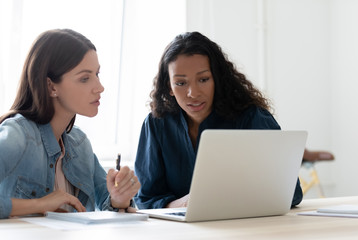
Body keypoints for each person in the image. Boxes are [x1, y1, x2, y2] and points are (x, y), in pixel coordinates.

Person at [134, 31, 303, 209]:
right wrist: (185, 204)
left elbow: (291, 193)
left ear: (218, 79)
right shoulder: (155, 124)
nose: (193, 93)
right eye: (181, 83)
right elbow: (146, 198)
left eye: (203, 79)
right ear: (169, 86)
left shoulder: (252, 118)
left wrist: (220, 202)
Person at [0, 29, 139, 219]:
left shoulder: (80, 144)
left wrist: (119, 199)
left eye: (97, 74)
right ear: (51, 86)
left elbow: (110, 209)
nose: (100, 87)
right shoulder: (18, 135)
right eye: (84, 78)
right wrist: (40, 204)